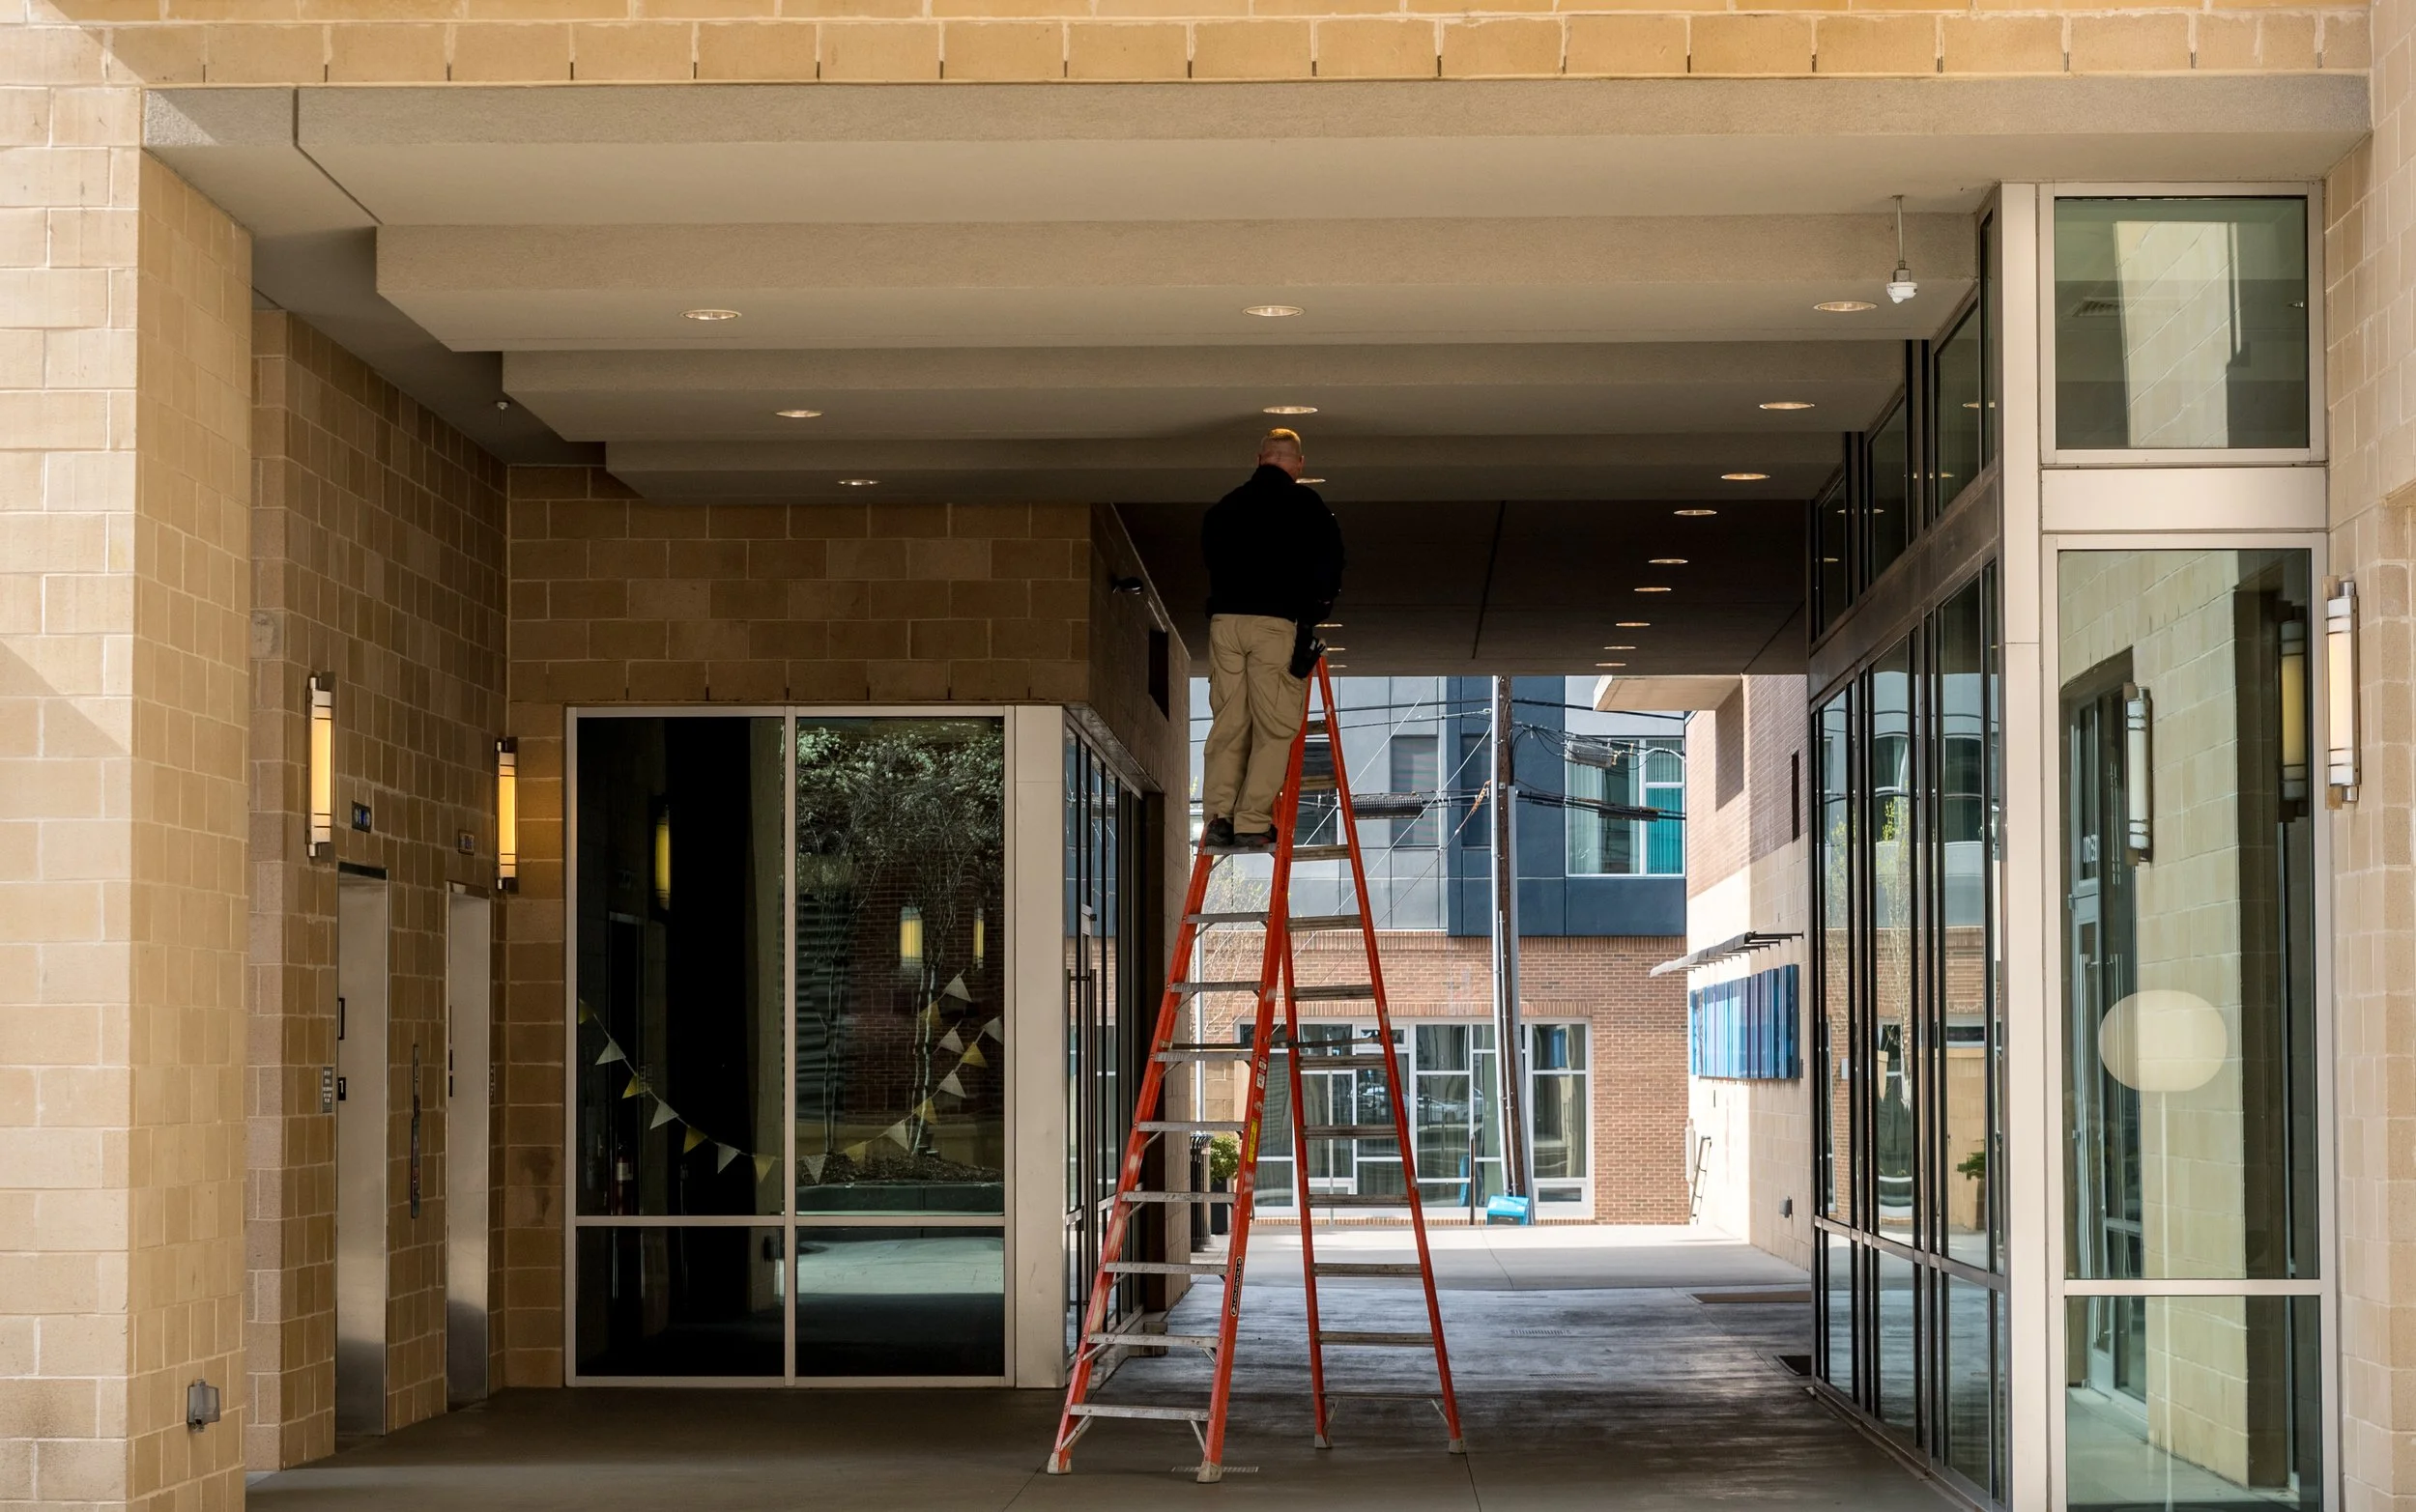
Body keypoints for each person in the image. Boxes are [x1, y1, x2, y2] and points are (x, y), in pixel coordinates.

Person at [1198, 429, 1345, 850]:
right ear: (1298, 465)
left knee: (1228, 721)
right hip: (1275, 625)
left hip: (1225, 622)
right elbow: (1330, 568)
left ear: (1260, 458)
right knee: (1275, 725)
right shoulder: (1308, 508)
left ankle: (1220, 819)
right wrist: (1313, 616)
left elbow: (1208, 555)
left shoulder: (1225, 507)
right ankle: (1251, 822)